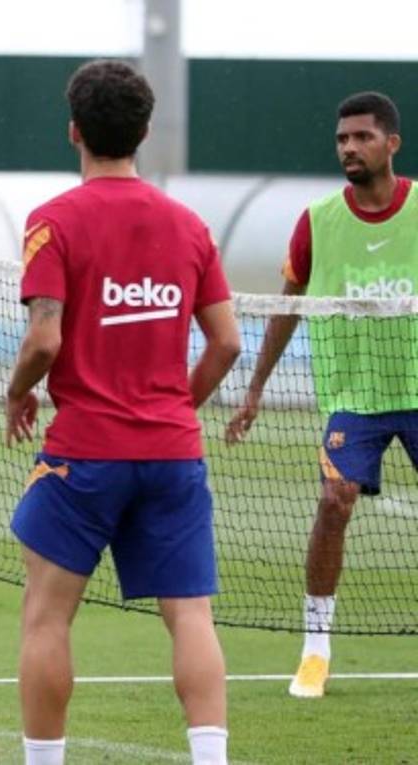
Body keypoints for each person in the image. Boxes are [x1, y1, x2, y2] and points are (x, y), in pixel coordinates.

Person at [4, 60, 241, 765]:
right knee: (190, 616)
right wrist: (175, 407)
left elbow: (44, 338)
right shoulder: (189, 224)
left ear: (74, 131)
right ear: (143, 131)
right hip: (173, 455)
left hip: (84, 453)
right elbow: (226, 342)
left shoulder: (54, 222)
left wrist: (18, 389)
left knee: (47, 617)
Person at [225, 92, 415, 699]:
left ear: (391, 143)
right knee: (335, 500)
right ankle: (315, 647)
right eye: (341, 140)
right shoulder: (318, 220)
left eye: (361, 137)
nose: (349, 148)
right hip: (351, 394)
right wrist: (255, 388)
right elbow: (285, 306)